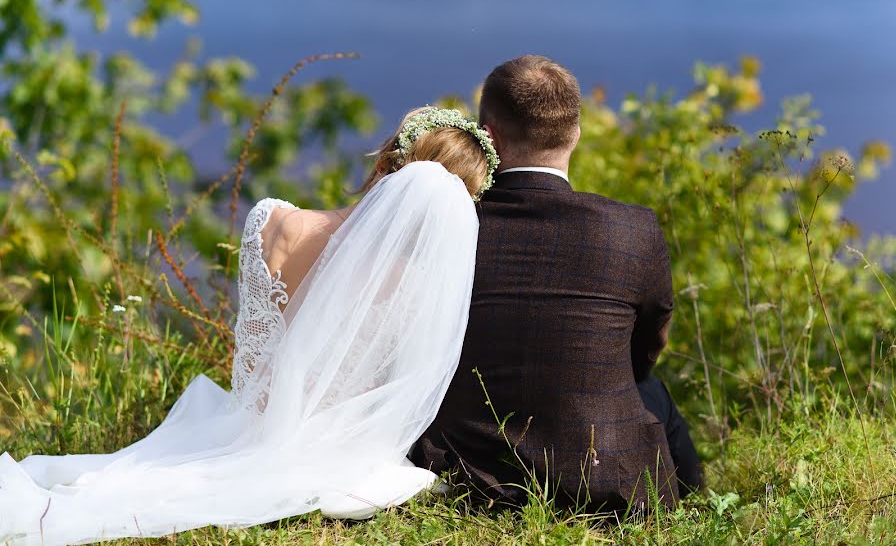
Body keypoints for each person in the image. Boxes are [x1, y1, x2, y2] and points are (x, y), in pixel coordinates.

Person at [0, 108, 499, 545]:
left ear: (384, 161)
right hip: (351, 457)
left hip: (257, 430)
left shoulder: (276, 224)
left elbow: (252, 374)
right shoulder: (432, 285)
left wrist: (257, 434)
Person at [411, 55, 702, 512]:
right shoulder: (633, 229)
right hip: (604, 480)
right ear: (576, 135)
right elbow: (646, 349)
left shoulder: (454, 224)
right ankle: (699, 502)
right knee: (652, 391)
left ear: (489, 137)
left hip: (466, 469)